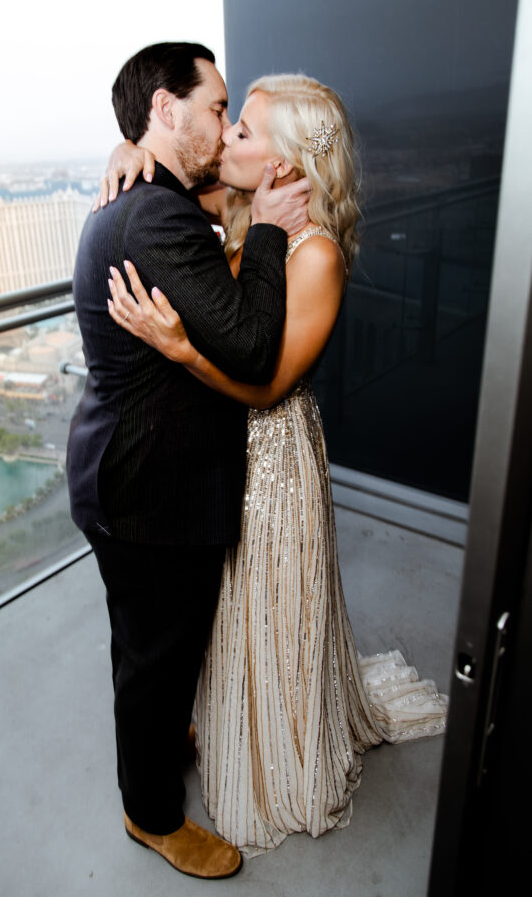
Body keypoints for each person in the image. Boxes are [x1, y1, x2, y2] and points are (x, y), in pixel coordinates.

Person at [105, 72, 448, 856]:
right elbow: (163, 168)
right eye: (232, 123)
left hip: (274, 461)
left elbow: (265, 384)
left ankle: (282, 752)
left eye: (244, 132)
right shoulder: (232, 207)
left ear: (288, 165)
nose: (226, 138)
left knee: (275, 603)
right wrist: (125, 146)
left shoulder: (316, 253)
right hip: (215, 454)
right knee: (228, 610)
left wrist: (179, 348)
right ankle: (228, 724)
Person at [66, 43, 312, 879]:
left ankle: (160, 731)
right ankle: (153, 816)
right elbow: (248, 348)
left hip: (125, 472)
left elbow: (213, 205)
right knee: (154, 655)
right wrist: (274, 232)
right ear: (165, 110)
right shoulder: (155, 215)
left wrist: (128, 146)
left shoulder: (153, 196)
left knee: (146, 645)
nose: (223, 120)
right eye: (214, 106)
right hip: (145, 488)